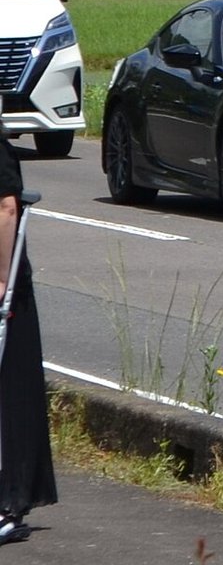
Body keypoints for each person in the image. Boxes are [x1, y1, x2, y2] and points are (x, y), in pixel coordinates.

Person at [0, 131, 56, 545]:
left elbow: (6, 207)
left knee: (12, 384)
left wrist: (3, 279)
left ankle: (10, 499)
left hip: (8, 287)